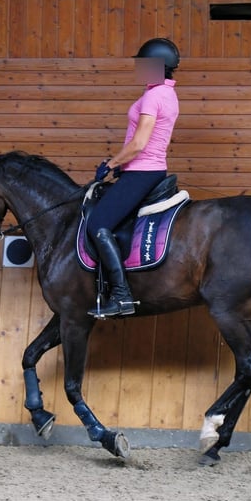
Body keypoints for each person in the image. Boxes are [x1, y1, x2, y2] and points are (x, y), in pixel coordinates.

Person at [86, 37, 181, 318]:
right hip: (146, 168)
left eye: (143, 65)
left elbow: (140, 143)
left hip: (142, 170)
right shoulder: (165, 93)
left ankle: (122, 297)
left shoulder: (154, 96)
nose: (139, 69)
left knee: (99, 224)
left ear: (157, 66)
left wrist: (110, 164)